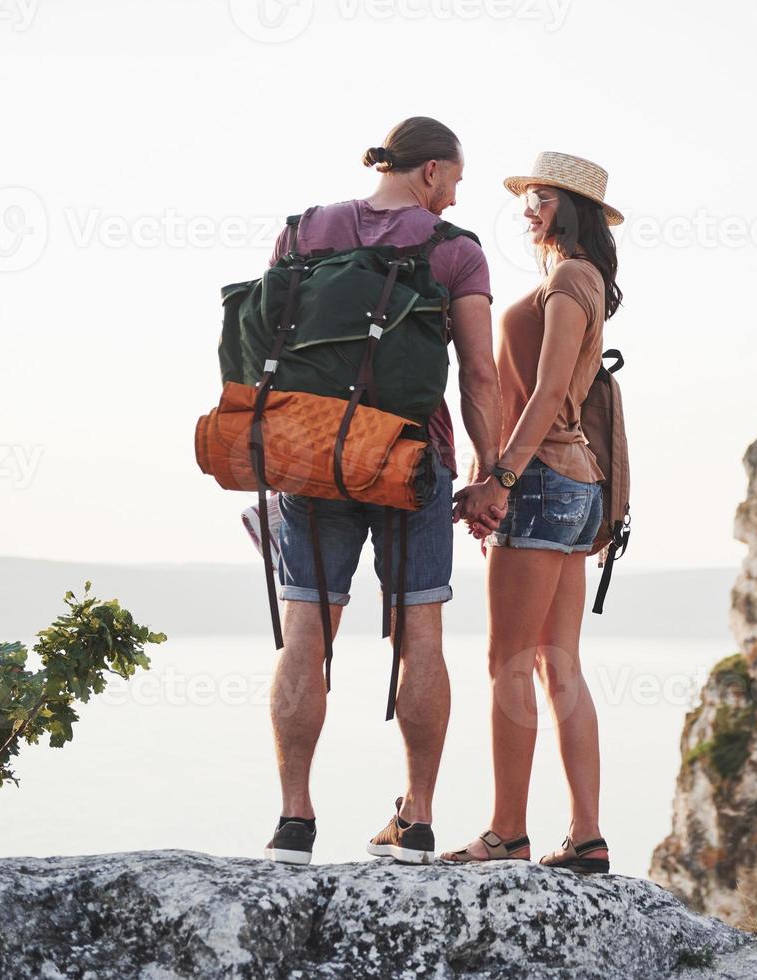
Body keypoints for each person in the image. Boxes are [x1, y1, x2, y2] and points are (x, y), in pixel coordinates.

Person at [263, 117, 507, 867]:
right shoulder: (454, 250)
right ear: (431, 172)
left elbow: (272, 345)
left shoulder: (302, 232)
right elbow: (478, 374)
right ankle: (419, 820)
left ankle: (293, 824)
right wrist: (489, 470)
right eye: (456, 183)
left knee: (308, 630)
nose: (453, 199)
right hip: (410, 458)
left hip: (309, 455)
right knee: (419, 635)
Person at [439, 152, 624, 875]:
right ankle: (584, 836)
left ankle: (506, 833)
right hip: (572, 482)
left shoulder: (571, 278)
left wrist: (500, 478)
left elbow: (547, 393)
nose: (527, 209)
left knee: (509, 663)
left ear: (570, 209)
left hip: (543, 477)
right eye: (527, 197)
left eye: (540, 198)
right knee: (557, 665)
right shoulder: (579, 280)